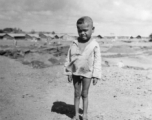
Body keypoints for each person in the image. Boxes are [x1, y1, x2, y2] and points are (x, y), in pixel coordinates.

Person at [64, 16, 102, 120]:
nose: (82, 33)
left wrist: (96, 75)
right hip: (76, 72)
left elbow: (97, 61)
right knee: (77, 93)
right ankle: (76, 114)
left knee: (84, 94)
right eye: (80, 30)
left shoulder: (94, 45)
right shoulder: (74, 43)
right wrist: (69, 72)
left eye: (85, 30)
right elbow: (69, 58)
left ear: (92, 29)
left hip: (88, 73)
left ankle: (84, 115)